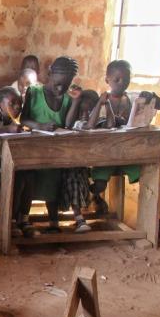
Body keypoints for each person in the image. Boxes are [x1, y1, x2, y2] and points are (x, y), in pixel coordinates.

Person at [88, 59, 160, 214]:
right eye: (117, 79)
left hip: (129, 154)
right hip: (105, 155)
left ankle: (153, 217)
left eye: (126, 79)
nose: (122, 83)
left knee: (147, 177)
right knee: (99, 185)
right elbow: (91, 124)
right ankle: (95, 197)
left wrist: (152, 95)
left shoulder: (133, 98)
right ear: (107, 80)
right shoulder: (102, 101)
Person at [17, 56, 81, 235]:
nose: (60, 88)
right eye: (57, 83)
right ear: (50, 73)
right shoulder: (34, 92)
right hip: (34, 149)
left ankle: (54, 221)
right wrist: (40, 126)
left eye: (65, 85)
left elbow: (68, 125)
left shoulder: (67, 98)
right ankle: (24, 219)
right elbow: (24, 118)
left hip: (56, 150)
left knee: (54, 181)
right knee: (31, 181)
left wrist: (75, 101)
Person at [58, 89, 101, 233]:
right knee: (74, 184)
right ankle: (79, 219)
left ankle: (94, 204)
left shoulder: (98, 122)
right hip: (69, 165)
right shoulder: (76, 123)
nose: (84, 115)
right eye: (81, 111)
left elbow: (92, 125)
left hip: (83, 165)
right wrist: (76, 101)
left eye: (89, 111)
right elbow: (75, 124)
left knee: (85, 185)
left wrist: (101, 105)